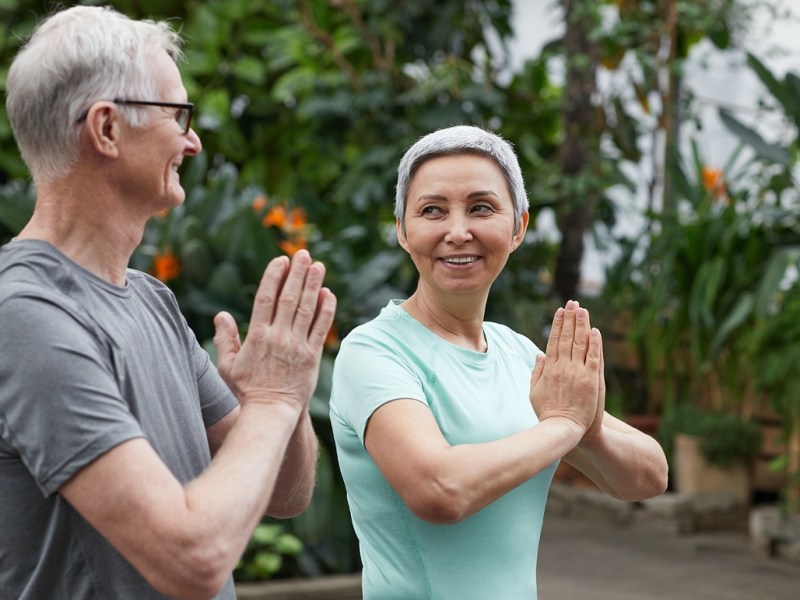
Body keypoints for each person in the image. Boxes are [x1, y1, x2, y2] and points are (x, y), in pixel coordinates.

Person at [0, 6, 336, 599]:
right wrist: (274, 398)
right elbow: (192, 558)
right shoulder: (24, 314)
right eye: (177, 114)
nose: (193, 140)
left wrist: (287, 389)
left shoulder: (152, 299)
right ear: (107, 128)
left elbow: (286, 495)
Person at [329, 125, 668, 599]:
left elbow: (650, 477)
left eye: (481, 208)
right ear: (403, 231)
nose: (457, 232)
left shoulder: (517, 353)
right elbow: (439, 491)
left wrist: (588, 431)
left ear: (518, 228)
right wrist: (564, 426)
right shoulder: (374, 351)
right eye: (432, 210)